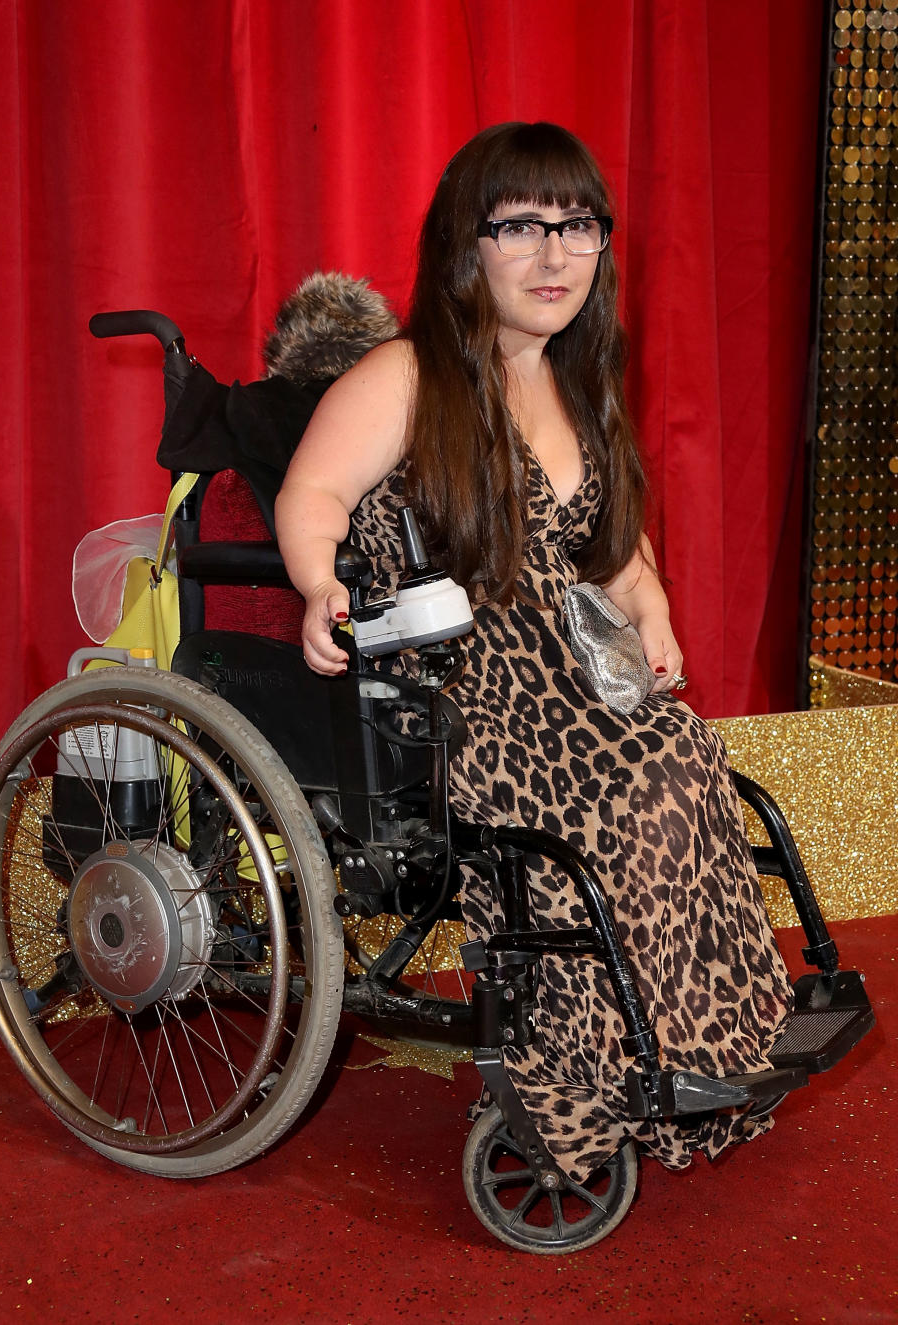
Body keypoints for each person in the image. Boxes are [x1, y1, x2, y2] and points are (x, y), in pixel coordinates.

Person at [275, 122, 792, 1184]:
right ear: (467, 247)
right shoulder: (407, 374)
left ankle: (693, 1043)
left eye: (578, 226)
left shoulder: (576, 382)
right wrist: (321, 582)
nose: (556, 255)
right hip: (466, 687)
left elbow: (614, 544)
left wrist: (650, 608)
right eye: (522, 227)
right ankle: (589, 1073)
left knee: (685, 759)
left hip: (574, 677)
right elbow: (312, 493)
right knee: (639, 783)